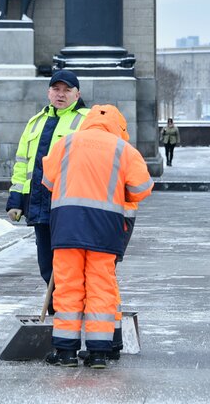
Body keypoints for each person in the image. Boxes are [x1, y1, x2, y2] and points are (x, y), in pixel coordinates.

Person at [41, 104, 154, 369]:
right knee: (100, 286)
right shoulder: (124, 149)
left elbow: (47, 180)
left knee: (68, 285)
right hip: (105, 228)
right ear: (119, 125)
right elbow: (142, 188)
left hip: (67, 224)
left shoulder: (66, 142)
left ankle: (66, 351)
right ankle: (99, 353)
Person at [6, 69, 89, 312]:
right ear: (48, 92)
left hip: (69, 203)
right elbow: (22, 165)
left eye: (67, 90)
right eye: (56, 89)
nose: (60, 94)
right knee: (46, 263)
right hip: (39, 203)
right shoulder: (36, 122)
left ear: (77, 94)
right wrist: (15, 201)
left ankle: (70, 310)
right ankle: (56, 312)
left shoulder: (86, 120)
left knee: (69, 263)